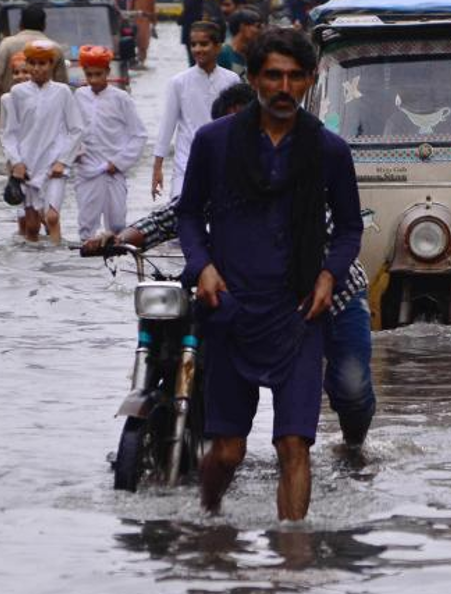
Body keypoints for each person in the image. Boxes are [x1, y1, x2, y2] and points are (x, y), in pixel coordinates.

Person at [82, 79, 377, 457]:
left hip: (332, 296)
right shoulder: (221, 169)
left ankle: (354, 448)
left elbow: (341, 229)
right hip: (257, 297)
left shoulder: (304, 166)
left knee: (349, 389)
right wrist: (122, 236)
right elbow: (177, 213)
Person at [177, 28, 363, 520]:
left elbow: (348, 229)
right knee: (228, 451)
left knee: (293, 447)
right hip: (230, 309)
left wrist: (329, 277)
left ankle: (292, 562)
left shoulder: (329, 151)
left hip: (299, 311)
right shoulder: (213, 142)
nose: (284, 88)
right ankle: (209, 523)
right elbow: (189, 215)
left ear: (310, 81)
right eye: (273, 76)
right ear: (254, 78)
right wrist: (204, 268)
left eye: (295, 77)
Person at [0, 40, 84, 244]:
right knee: (32, 226)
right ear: (27, 64)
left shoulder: (62, 92)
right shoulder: (17, 94)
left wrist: (63, 161)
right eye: (33, 63)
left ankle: (57, 264)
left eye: (43, 63)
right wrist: (16, 162)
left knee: (52, 217)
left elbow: (76, 129)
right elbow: (8, 133)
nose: (37, 69)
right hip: (27, 166)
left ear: (52, 64)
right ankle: (32, 270)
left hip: (55, 164)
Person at [151, 20, 240, 201]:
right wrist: (157, 168)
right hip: (186, 162)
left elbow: (239, 124)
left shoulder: (232, 80)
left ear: (218, 47)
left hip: (222, 162)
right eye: (193, 44)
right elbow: (167, 126)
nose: (198, 49)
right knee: (183, 212)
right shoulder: (179, 82)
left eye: (204, 44)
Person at [72, 45, 146, 240]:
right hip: (86, 169)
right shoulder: (79, 96)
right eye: (89, 75)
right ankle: (87, 268)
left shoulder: (121, 98)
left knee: (117, 226)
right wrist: (75, 151)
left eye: (98, 74)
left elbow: (139, 135)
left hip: (114, 170)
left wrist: (119, 162)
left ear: (108, 71)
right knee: (86, 227)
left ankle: (116, 267)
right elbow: (71, 131)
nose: (94, 80)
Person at [0, 4, 69, 126]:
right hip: (45, 120)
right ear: (44, 25)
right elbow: (63, 88)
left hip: (10, 118)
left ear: (20, 24)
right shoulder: (55, 49)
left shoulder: (7, 45)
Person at [218, 7, 263, 78]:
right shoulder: (224, 52)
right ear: (243, 27)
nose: (260, 31)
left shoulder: (252, 53)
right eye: (257, 26)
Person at [179, 0, 206, 66]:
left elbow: (189, 5)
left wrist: (181, 18)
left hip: (189, 22)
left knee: (192, 54)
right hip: (197, 21)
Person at [128, 0, 157, 65]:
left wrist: (128, 19)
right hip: (146, 20)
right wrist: (154, 24)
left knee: (133, 42)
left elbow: (130, 6)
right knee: (143, 45)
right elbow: (153, 10)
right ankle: (142, 62)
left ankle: (135, 62)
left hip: (135, 18)